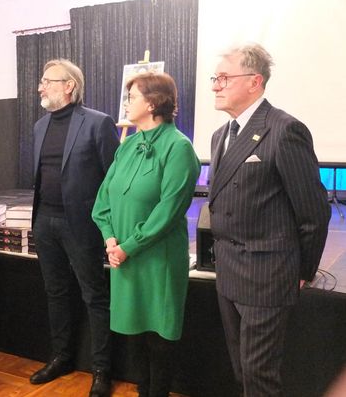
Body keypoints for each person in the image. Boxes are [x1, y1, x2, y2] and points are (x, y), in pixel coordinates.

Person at [208, 43, 331, 396]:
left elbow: (313, 211)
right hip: (228, 271)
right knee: (240, 370)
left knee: (259, 375)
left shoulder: (284, 129)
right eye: (215, 78)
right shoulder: (220, 136)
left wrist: (302, 271)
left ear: (254, 81)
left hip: (266, 275)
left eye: (224, 78)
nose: (215, 86)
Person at [92, 72, 200, 397]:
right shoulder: (127, 146)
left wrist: (128, 246)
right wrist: (110, 239)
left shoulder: (178, 147)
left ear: (152, 103)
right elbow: (103, 200)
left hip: (157, 259)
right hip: (123, 257)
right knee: (135, 333)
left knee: (159, 340)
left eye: (132, 97)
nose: (126, 103)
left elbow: (168, 211)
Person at [29, 58, 119, 397]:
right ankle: (61, 357)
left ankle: (101, 370)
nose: (40, 87)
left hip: (81, 224)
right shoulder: (40, 126)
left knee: (94, 296)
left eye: (47, 81)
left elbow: (113, 179)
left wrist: (110, 228)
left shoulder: (98, 123)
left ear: (69, 86)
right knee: (55, 293)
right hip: (44, 221)